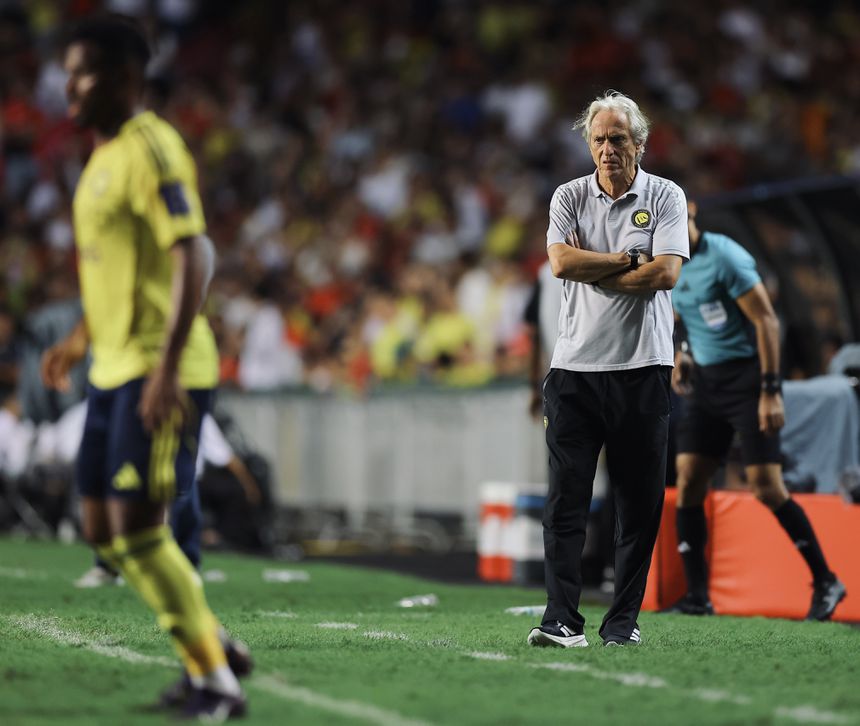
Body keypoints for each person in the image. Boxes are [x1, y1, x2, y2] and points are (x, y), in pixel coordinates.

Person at [41, 16, 248, 718]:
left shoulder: (152, 149)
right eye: (68, 73)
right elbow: (120, 270)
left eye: (84, 72)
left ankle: (215, 683)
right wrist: (79, 339)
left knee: (139, 530)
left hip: (160, 369)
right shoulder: (100, 159)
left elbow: (193, 254)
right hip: (110, 367)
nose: (70, 86)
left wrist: (164, 371)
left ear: (127, 77)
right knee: (103, 531)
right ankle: (214, 642)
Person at [527, 91, 689, 649]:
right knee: (564, 503)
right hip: (573, 370)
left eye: (617, 139)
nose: (606, 149)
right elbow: (560, 262)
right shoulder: (568, 196)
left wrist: (591, 266)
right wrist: (626, 259)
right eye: (598, 140)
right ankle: (561, 620)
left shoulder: (665, 195)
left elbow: (665, 275)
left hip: (643, 369)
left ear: (639, 143)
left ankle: (622, 622)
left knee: (637, 506)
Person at [667, 201, 846, 620]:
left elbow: (767, 321)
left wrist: (770, 390)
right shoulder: (670, 264)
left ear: (690, 211)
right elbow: (686, 317)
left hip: (746, 380)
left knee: (766, 486)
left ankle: (826, 580)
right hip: (705, 384)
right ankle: (697, 596)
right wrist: (684, 353)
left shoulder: (725, 256)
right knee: (689, 481)